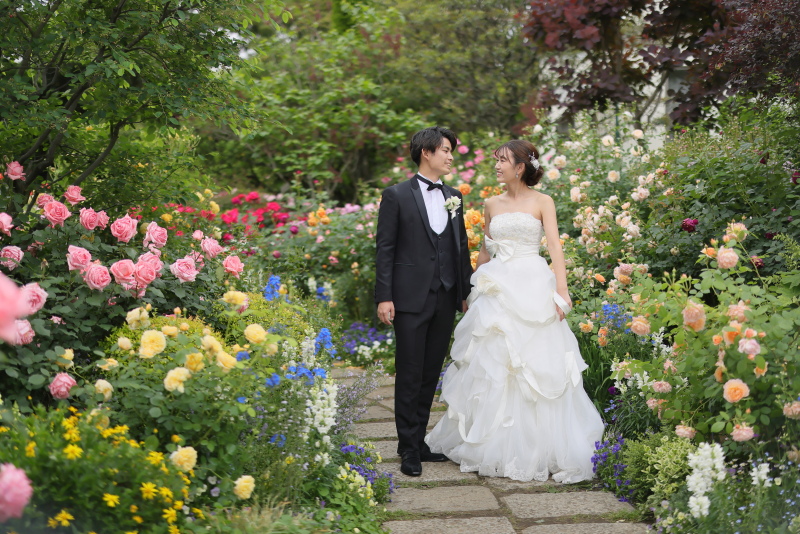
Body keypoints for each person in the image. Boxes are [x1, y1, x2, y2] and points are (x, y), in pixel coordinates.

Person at [425, 139, 604, 483]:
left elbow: (554, 246)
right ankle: (489, 443)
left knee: (535, 364)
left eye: (502, 160)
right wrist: (471, 289)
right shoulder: (491, 202)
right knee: (493, 364)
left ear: (520, 167)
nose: (497, 166)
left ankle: (541, 447)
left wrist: (561, 291)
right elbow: (485, 251)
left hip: (533, 283)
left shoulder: (543, 202)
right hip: (496, 288)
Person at [374, 126, 473, 477]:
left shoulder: (454, 196)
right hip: (409, 298)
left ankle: (418, 439)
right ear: (426, 153)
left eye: (451, 151)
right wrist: (384, 296)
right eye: (445, 150)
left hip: (445, 297)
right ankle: (408, 447)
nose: (450, 156)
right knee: (410, 371)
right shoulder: (396, 195)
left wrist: (465, 292)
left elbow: (460, 247)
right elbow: (385, 248)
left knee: (431, 371)